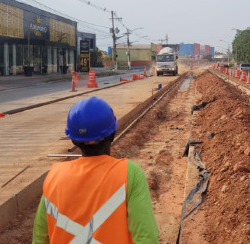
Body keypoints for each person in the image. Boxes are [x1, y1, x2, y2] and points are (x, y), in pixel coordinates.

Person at [33, 96, 159, 243]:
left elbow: (39, 238)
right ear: (112, 135)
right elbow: (147, 238)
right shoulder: (129, 173)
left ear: (73, 140)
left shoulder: (54, 176)